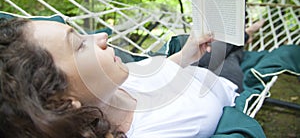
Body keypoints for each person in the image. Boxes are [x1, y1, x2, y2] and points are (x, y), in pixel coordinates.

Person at [0, 17, 264, 138]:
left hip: (191, 67)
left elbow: (156, 72)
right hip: (223, 80)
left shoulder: (109, 87)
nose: (101, 37)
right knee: (232, 54)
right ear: (64, 104)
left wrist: (186, 55)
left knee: (219, 40)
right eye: (80, 45)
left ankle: (243, 33)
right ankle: (247, 34)